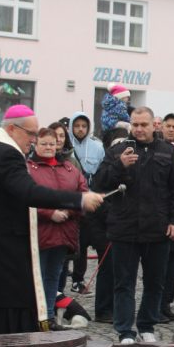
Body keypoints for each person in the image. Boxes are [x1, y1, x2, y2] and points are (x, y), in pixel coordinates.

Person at [0, 106, 104, 336]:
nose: (33, 140)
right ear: (12, 128)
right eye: (30, 134)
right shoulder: (7, 154)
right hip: (1, 258)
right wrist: (78, 199)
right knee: (4, 329)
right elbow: (29, 192)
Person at [97, 107, 174, 344]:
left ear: (153, 125)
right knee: (124, 283)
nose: (138, 129)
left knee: (154, 282)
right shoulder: (118, 150)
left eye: (143, 125)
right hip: (124, 228)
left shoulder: (169, 152)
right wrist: (120, 165)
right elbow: (99, 182)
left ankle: (147, 325)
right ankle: (125, 331)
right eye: (134, 125)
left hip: (157, 229)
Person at [28, 127, 88, 327]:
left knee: (54, 276)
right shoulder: (28, 168)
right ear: (36, 144)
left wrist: (68, 212)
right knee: (37, 277)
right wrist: (49, 213)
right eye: (43, 143)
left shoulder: (70, 168)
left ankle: (50, 317)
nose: (48, 147)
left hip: (63, 233)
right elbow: (25, 199)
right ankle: (37, 316)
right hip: (40, 233)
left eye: (51, 144)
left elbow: (83, 194)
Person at [65, 112, 106, 294]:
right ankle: (77, 279)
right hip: (75, 200)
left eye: (84, 126)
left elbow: (103, 171)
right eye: (77, 125)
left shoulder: (98, 147)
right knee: (79, 243)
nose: (80, 129)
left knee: (97, 240)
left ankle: (102, 279)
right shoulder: (68, 147)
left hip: (94, 198)